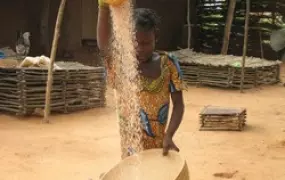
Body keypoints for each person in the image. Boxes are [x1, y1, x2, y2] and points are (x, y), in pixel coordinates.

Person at [97, 0, 185, 159]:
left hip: (159, 147)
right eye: (135, 43)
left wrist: (169, 135)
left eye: (146, 43)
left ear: (155, 37)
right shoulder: (124, 66)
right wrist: (103, 7)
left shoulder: (169, 65)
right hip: (131, 149)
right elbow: (104, 48)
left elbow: (179, 105)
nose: (140, 49)